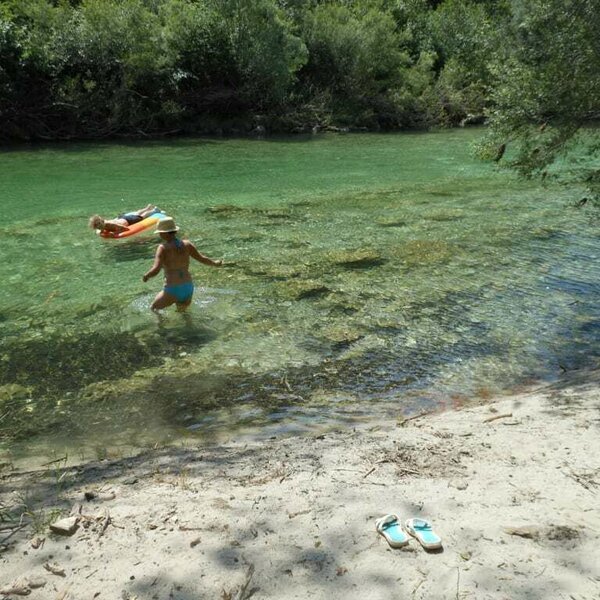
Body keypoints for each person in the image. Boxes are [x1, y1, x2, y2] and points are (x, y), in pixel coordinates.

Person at [142, 216, 222, 311]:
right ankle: (189, 324)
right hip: (188, 287)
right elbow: (202, 259)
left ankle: (161, 326)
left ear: (164, 234)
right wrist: (215, 263)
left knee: (154, 309)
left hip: (173, 289)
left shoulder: (163, 248)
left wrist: (146, 276)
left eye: (160, 232)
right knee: (183, 313)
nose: (159, 234)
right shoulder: (187, 244)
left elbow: (156, 269)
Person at [89, 204, 159, 234]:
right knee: (137, 212)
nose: (99, 229)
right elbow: (102, 228)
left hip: (128, 220)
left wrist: (115, 233)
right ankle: (147, 208)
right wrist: (102, 231)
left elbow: (125, 228)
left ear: (101, 223)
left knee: (142, 217)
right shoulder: (103, 225)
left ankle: (154, 211)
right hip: (121, 218)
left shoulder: (110, 224)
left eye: (99, 227)